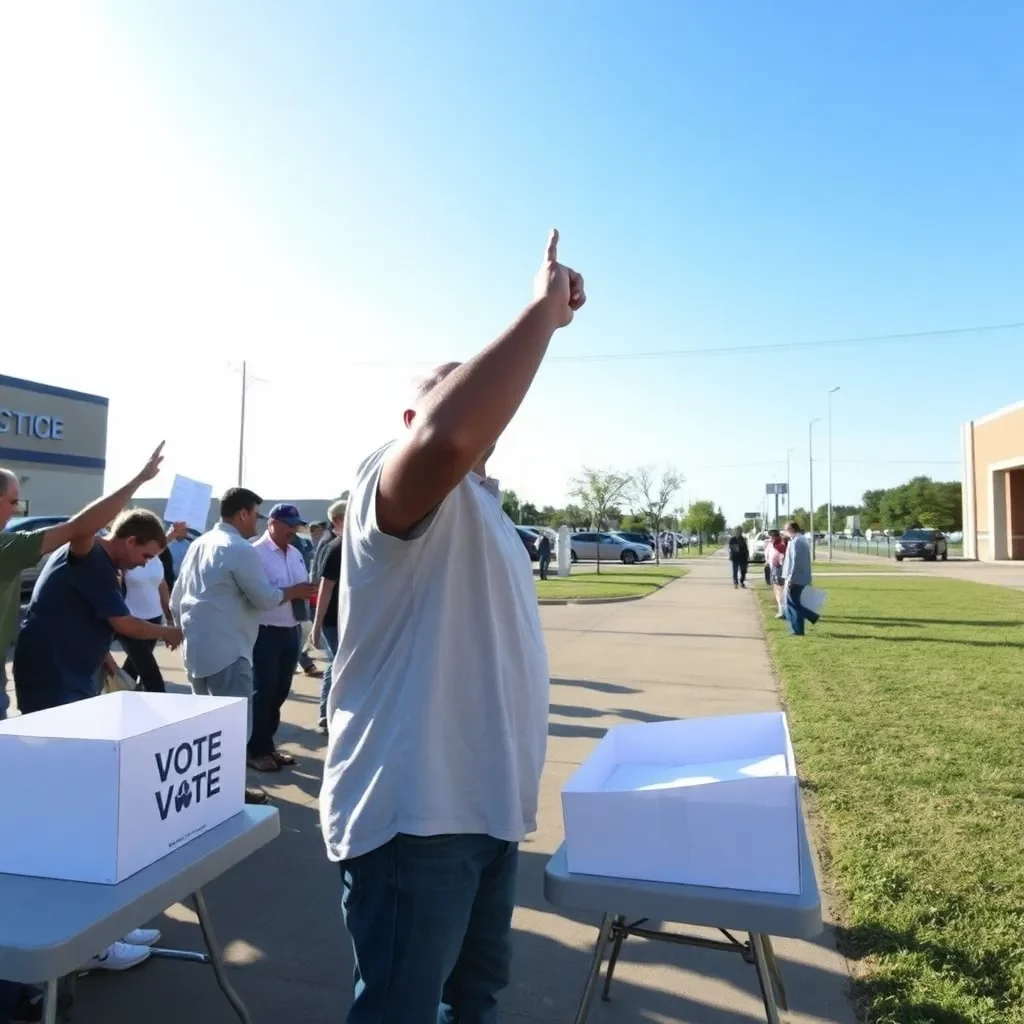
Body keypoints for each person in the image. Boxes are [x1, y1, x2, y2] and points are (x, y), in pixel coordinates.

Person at [319, 229, 585, 1023]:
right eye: (449, 383)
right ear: (409, 414)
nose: (470, 391)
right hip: (417, 818)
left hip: (488, 810)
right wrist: (541, 313)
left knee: (475, 1000)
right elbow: (445, 436)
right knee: (402, 1009)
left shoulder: (489, 509)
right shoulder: (388, 480)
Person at [0, 444, 166, 720]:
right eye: (13, 502)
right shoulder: (10, 548)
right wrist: (139, 479)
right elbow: (78, 528)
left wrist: (105, 657)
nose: (16, 511)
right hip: (53, 679)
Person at [171, 489, 315, 803]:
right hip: (229, 650)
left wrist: (182, 629)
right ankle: (230, 791)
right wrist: (293, 592)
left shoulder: (199, 543)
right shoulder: (240, 548)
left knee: (207, 725)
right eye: (256, 514)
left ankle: (209, 788)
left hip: (198, 649)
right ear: (243, 514)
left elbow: (175, 597)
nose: (257, 523)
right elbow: (265, 598)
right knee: (234, 727)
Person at [248, 504, 312, 772]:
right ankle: (254, 750)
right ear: (272, 523)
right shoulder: (255, 554)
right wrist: (294, 591)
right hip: (265, 631)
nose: (294, 529)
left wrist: (306, 591)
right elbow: (257, 595)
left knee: (280, 692)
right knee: (263, 692)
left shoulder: (296, 552)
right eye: (289, 524)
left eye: (296, 524)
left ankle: (267, 745)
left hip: (291, 630)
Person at [118, 521, 188, 692]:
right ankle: (157, 712)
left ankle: (122, 704)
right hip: (131, 624)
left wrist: (170, 620)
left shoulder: (155, 560)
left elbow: (162, 588)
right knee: (152, 678)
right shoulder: (126, 561)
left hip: (153, 620)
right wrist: (170, 535)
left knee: (132, 670)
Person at [310, 523, 343, 734]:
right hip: (333, 620)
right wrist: (317, 624)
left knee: (340, 663)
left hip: (350, 618)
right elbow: (326, 588)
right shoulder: (337, 548)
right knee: (337, 663)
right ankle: (326, 714)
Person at [782, 520, 818, 636]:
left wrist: (791, 578)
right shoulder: (801, 540)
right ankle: (798, 628)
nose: (785, 532)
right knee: (794, 603)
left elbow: (795, 562)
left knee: (792, 603)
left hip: (795, 578)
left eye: (786, 530)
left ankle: (806, 620)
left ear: (791, 529)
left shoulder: (796, 541)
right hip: (801, 577)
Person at [765, 528, 787, 619]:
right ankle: (781, 609)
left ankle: (782, 610)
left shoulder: (779, 545)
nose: (769, 538)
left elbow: (782, 557)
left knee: (779, 589)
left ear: (773, 536)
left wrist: (779, 563)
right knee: (777, 589)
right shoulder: (772, 544)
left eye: (770, 536)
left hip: (778, 568)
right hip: (773, 567)